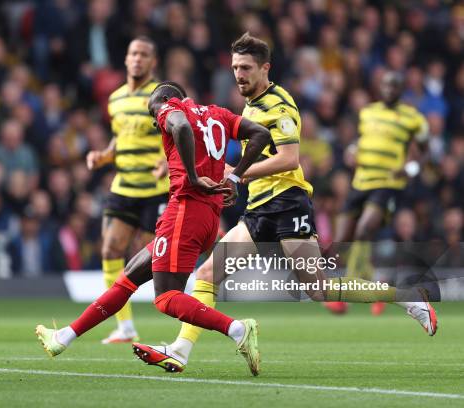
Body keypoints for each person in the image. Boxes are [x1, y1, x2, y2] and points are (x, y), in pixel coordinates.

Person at [132, 33, 437, 373]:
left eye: (246, 67)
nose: (238, 75)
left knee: (320, 290)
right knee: (207, 273)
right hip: (258, 207)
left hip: (288, 203)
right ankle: (180, 350)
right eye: (234, 67)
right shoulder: (251, 105)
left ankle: (406, 298)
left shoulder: (280, 105)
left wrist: (237, 175)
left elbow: (289, 159)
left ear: (265, 68)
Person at [36, 80, 273, 376]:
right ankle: (63, 338)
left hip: (185, 209)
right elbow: (260, 134)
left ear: (163, 98)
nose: (154, 119)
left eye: (153, 112)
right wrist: (235, 179)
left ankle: (238, 329)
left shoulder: (168, 106)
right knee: (127, 279)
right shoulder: (219, 114)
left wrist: (193, 176)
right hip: (208, 216)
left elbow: (182, 127)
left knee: (166, 298)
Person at [84, 37, 168, 344]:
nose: (137, 59)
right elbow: (119, 139)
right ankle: (125, 326)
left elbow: (176, 134)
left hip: (154, 189)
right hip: (123, 186)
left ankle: (186, 302)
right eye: (133, 53)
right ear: (126, 58)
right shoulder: (116, 98)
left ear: (153, 62)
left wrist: (166, 162)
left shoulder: (161, 97)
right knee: (109, 250)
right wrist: (104, 155)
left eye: (144, 54)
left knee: (147, 261)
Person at [326, 71, 429, 315]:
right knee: (342, 239)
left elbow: (425, 151)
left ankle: (343, 295)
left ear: (401, 89)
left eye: (394, 86)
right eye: (385, 85)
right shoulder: (367, 112)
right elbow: (363, 139)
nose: (389, 90)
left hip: (387, 182)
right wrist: (352, 149)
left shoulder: (414, 119)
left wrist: (412, 168)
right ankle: (378, 291)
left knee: (363, 230)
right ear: (380, 88)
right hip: (360, 181)